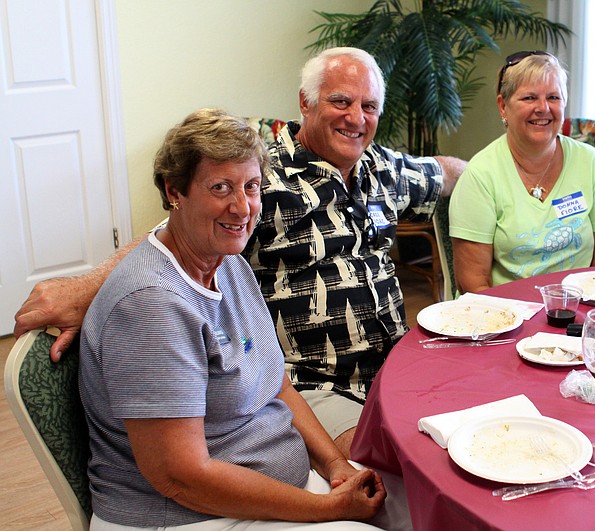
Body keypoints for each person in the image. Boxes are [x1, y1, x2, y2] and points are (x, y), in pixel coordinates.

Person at [13, 47, 465, 459]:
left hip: (400, 367)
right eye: (340, 102)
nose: (355, 118)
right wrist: (88, 287)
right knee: (403, 468)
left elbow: (447, 172)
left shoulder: (381, 168)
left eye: (368, 107)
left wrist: (523, 161)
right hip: (316, 385)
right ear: (305, 103)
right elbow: (179, 231)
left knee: (473, 437)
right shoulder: (262, 174)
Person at [80, 108, 394, 529]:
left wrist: (338, 469)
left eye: (251, 187)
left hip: (264, 490)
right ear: (175, 191)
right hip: (187, 517)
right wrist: (332, 509)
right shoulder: (151, 306)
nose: (242, 207)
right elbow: (181, 477)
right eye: (221, 187)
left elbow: (277, 385)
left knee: (406, 504)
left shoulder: (227, 262)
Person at [449, 51, 595, 293]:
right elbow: (473, 284)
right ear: (503, 107)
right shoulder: (480, 175)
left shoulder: (590, 163)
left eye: (553, 97)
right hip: (503, 316)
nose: (543, 108)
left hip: (576, 312)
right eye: (529, 98)